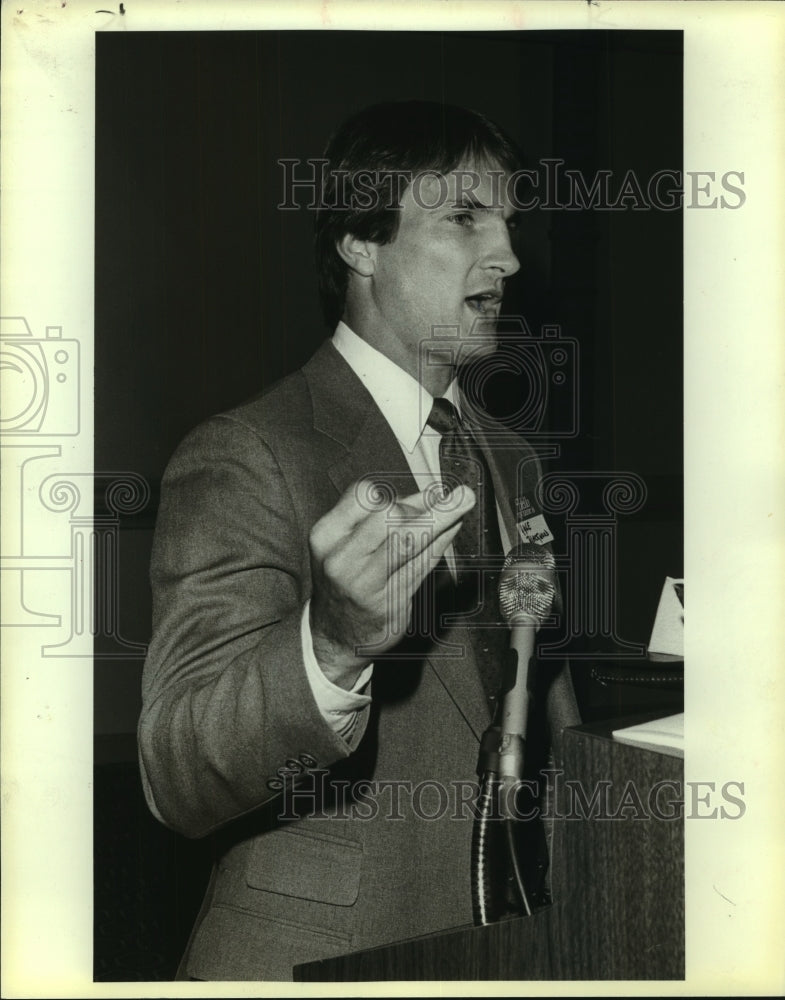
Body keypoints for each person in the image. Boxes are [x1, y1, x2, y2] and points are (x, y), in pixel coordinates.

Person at [138, 100, 579, 982]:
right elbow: (175, 772)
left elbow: (540, 703)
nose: (508, 257)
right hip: (324, 959)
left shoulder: (515, 459)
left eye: (508, 222)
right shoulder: (247, 451)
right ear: (359, 242)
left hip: (514, 944)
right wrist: (332, 645)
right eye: (463, 217)